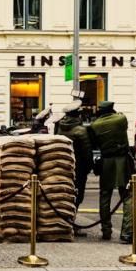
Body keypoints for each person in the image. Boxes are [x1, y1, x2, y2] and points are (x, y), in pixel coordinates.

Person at [88, 101, 135, 244]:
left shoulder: (94, 125)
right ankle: (127, 233)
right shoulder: (120, 118)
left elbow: (94, 143)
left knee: (104, 196)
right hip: (122, 161)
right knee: (128, 197)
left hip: (106, 162)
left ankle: (106, 231)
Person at [56, 99, 93, 237]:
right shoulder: (81, 130)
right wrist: (89, 167)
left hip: (63, 166)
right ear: (78, 115)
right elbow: (87, 152)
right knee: (78, 196)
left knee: (63, 194)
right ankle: (71, 223)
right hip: (79, 168)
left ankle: (63, 222)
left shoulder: (60, 127)